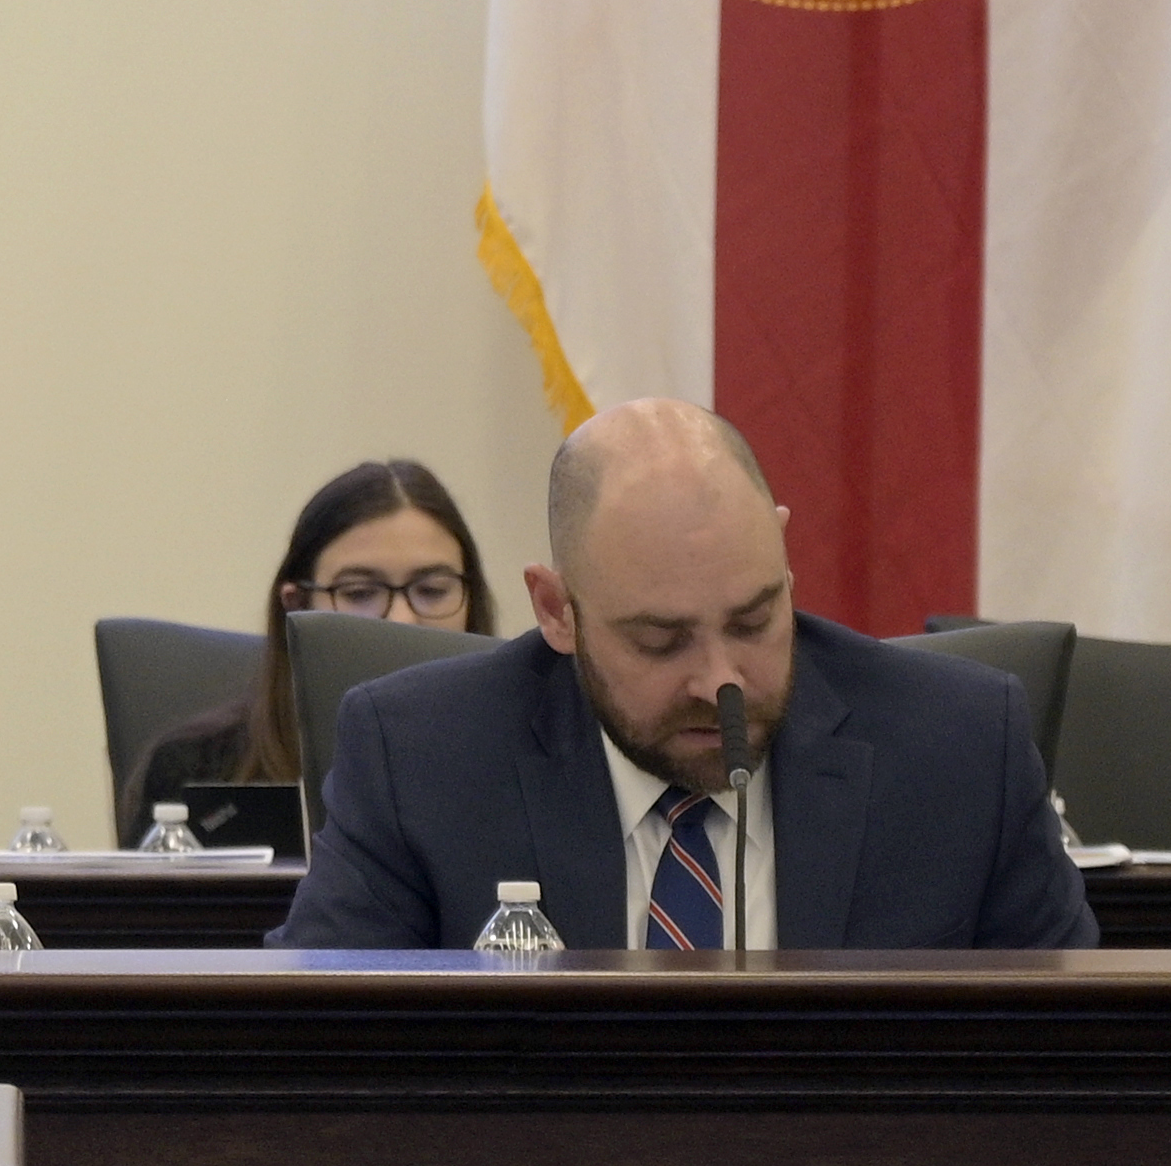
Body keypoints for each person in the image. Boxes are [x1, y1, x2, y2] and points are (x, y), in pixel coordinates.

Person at [275, 396, 1091, 950]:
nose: (720, 681)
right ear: (557, 610)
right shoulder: (419, 758)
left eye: (752, 621)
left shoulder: (963, 750)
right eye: (661, 641)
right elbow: (311, 1058)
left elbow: (1076, 1064)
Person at [131, 457, 491, 828]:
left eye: (432, 590)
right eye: (360, 592)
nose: (402, 620)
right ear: (297, 605)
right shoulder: (196, 770)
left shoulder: (518, 755)